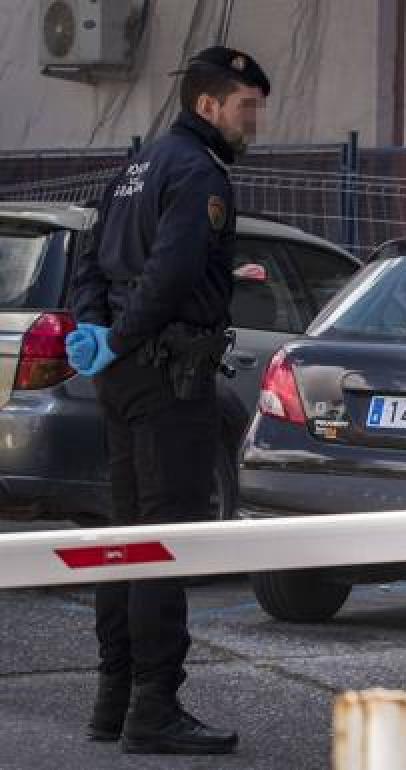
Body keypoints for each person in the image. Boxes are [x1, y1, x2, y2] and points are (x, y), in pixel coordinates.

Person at [66, 45, 269, 755]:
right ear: (208, 106)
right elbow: (173, 273)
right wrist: (121, 336)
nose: (254, 123)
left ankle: (113, 697)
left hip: (125, 376)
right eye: (246, 109)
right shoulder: (196, 171)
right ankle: (153, 706)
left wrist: (99, 333)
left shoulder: (135, 167)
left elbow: (89, 262)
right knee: (161, 541)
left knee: (125, 536)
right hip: (167, 376)